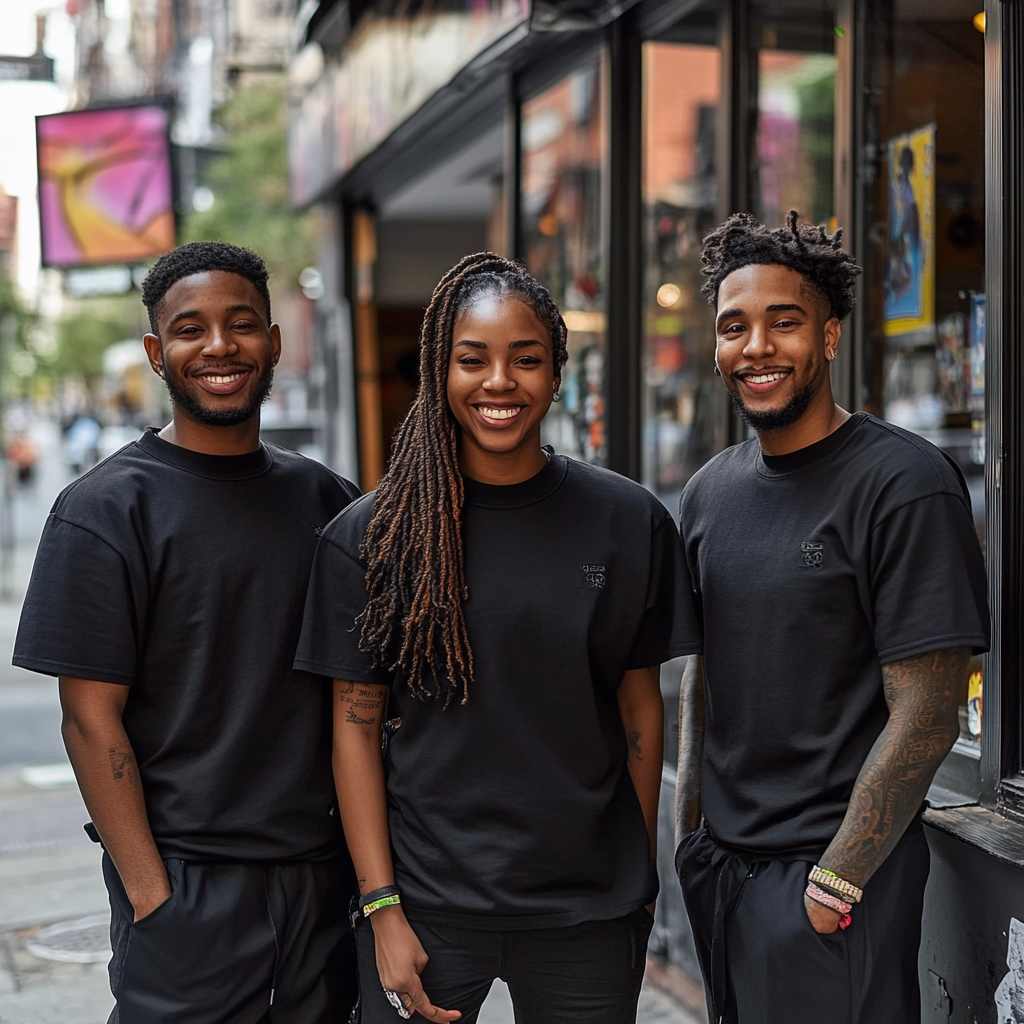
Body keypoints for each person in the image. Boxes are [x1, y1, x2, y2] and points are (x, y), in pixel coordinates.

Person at [295, 253, 701, 1024]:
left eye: (526, 359)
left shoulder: (627, 521)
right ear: (437, 372)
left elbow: (641, 711)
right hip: (426, 907)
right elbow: (351, 727)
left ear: (556, 373)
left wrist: (637, 883)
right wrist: (381, 907)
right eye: (471, 359)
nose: (498, 383)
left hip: (588, 912)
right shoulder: (374, 535)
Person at [13, 241, 360, 1024]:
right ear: (156, 354)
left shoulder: (328, 499)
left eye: (241, 324)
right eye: (190, 328)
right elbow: (89, 719)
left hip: (319, 882)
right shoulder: (105, 510)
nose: (218, 346)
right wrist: (152, 899)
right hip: (187, 885)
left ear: (274, 342)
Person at [674, 211, 990, 1024]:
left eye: (785, 321)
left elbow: (927, 709)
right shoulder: (709, 491)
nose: (758, 348)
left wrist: (837, 879)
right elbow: (704, 680)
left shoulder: (904, 483)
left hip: (834, 886)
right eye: (734, 327)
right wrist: (689, 844)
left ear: (831, 336)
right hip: (726, 877)